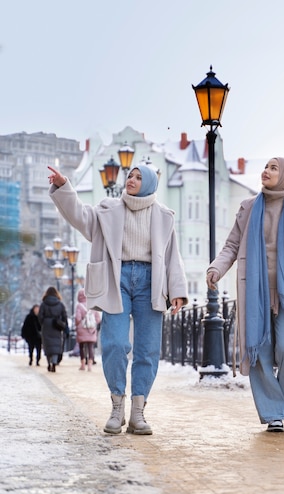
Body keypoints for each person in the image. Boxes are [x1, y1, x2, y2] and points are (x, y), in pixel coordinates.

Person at [47, 162, 188, 436]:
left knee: (147, 349)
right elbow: (79, 215)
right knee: (115, 343)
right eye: (130, 176)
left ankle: (138, 412)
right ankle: (116, 406)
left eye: (138, 177)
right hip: (116, 278)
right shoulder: (107, 210)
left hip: (151, 281)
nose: (131, 180)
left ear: (148, 184)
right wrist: (64, 186)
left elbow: (172, 257)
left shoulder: (163, 216)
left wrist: (178, 292)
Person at [206, 157, 284, 433]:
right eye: (266, 167)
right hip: (255, 292)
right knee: (260, 351)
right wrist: (217, 269)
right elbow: (231, 245)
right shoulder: (249, 208)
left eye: (274, 168)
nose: (266, 171)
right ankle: (273, 412)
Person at [38, 286, 68, 372]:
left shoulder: (43, 304)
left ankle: (49, 363)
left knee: (47, 345)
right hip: (56, 325)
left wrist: (43, 322)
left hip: (46, 326)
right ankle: (54, 362)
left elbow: (40, 316)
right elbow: (64, 315)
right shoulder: (60, 304)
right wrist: (61, 323)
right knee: (56, 344)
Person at [75, 288, 101, 372]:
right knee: (91, 347)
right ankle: (90, 365)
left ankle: (83, 364)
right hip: (91, 329)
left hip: (82, 329)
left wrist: (78, 324)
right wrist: (93, 324)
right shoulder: (93, 304)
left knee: (81, 347)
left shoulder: (79, 306)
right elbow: (98, 318)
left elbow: (77, 318)